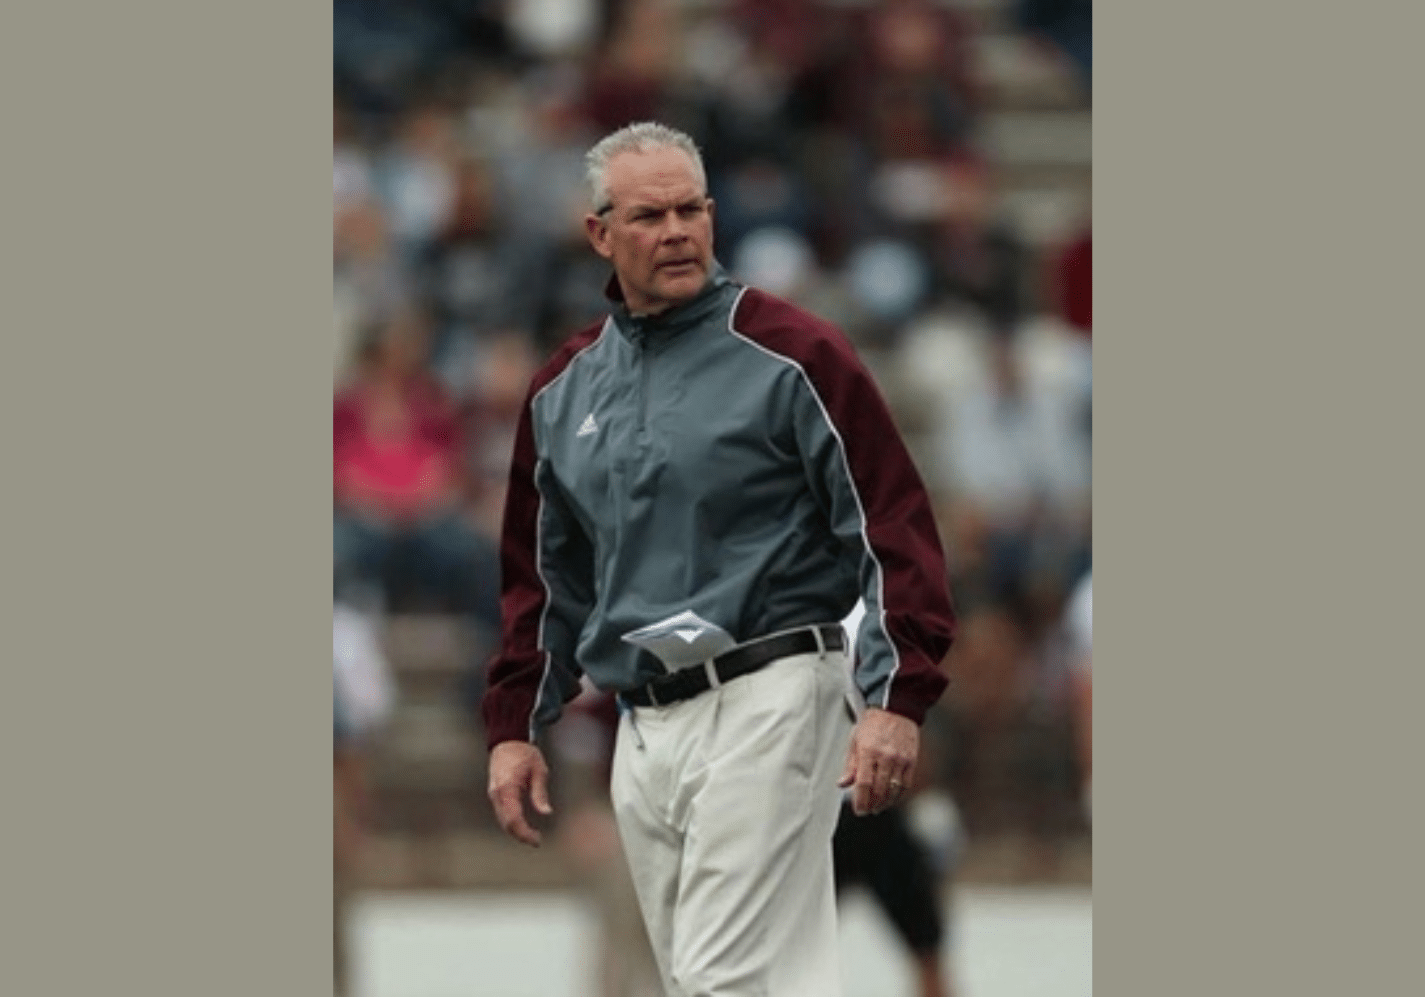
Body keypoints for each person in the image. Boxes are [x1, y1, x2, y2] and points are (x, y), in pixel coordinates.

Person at [480, 121, 957, 997]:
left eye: (691, 210)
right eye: (648, 215)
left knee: (717, 981)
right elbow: (542, 579)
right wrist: (515, 722)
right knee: (754, 983)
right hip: (642, 720)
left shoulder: (797, 354)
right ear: (598, 233)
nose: (676, 232)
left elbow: (891, 523)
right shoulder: (561, 389)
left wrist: (896, 696)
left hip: (774, 690)